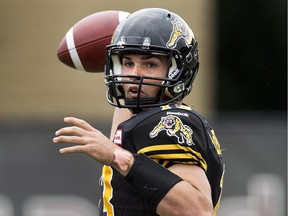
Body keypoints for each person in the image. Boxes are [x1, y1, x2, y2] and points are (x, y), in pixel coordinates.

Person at [53, 8, 225, 216]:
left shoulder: (168, 121)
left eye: (150, 64)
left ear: (178, 70)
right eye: (127, 63)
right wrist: (134, 28)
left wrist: (118, 157)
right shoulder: (144, 118)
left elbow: (197, 210)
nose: (134, 74)